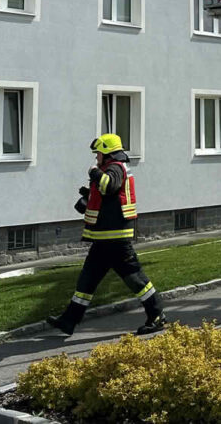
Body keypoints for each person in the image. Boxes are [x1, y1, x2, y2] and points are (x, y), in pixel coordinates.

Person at [46, 134, 166, 337]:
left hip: (116, 239)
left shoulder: (116, 167)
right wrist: (89, 195)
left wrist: (93, 173)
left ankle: (157, 316)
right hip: (103, 240)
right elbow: (107, 195)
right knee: (86, 282)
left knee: (136, 280)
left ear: (107, 152)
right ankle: (68, 321)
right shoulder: (110, 169)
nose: (96, 159)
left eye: (98, 154)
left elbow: (110, 185)